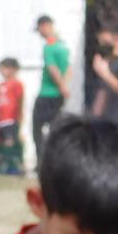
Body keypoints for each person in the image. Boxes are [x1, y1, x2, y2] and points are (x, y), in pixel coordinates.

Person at [33, 15, 72, 169]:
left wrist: (61, 85)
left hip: (46, 94)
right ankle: (57, 161)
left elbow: (52, 68)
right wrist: (65, 87)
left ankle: (42, 163)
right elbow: (68, 68)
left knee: (37, 130)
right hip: (59, 96)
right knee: (56, 129)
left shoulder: (49, 46)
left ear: (45, 26)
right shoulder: (63, 45)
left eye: (40, 29)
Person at [0, 58, 25, 175]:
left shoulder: (17, 84)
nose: (1, 71)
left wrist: (19, 117)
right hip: (1, 119)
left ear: (12, 70)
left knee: (10, 141)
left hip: (10, 119)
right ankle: (4, 164)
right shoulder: (1, 84)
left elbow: (20, 101)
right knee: (2, 142)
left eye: (4, 68)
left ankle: (11, 167)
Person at [90, 26, 118, 120]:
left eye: (105, 43)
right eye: (100, 43)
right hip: (106, 119)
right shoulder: (108, 62)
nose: (102, 46)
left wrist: (105, 74)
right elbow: (102, 93)